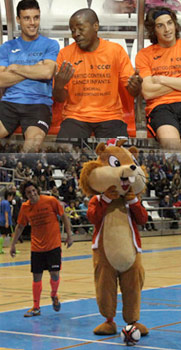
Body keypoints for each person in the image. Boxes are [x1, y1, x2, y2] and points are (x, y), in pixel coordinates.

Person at [53, 8, 142, 140]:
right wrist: (59, 86)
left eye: (80, 29)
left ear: (95, 26)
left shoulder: (115, 51)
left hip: (110, 116)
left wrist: (135, 86)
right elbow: (59, 98)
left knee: (118, 157)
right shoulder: (65, 54)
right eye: (72, 31)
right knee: (63, 157)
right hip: (75, 116)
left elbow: (132, 91)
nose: (75, 34)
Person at [135, 6, 181, 151]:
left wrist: (163, 79)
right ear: (154, 30)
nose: (167, 29)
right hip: (160, 107)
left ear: (175, 25)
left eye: (169, 23)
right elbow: (148, 92)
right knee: (171, 146)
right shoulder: (144, 55)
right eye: (160, 25)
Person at [0, 0, 59, 152]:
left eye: (36, 17)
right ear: (18, 20)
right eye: (27, 18)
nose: (32, 23)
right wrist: (34, 70)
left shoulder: (50, 44)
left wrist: (15, 68)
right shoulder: (7, 47)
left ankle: (20, 174)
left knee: (32, 145)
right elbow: (1, 80)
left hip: (38, 104)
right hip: (9, 103)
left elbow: (47, 72)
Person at [10, 180, 73, 317]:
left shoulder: (50, 201)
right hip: (37, 247)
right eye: (28, 193)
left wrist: (69, 235)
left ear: (37, 190)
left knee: (55, 274)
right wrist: (13, 244)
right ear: (25, 195)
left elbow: (63, 216)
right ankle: (36, 307)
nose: (32, 194)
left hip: (53, 245)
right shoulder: (25, 208)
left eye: (33, 191)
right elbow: (20, 226)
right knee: (36, 277)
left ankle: (54, 295)